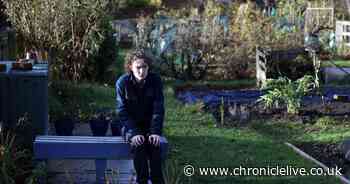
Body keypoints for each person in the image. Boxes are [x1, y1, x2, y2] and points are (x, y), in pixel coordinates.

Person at [116, 49, 165, 184]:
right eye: (138, 67)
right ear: (131, 67)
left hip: (149, 126)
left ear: (148, 67)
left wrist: (155, 132)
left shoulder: (155, 81)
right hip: (130, 126)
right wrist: (134, 133)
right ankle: (141, 181)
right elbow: (122, 111)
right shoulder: (122, 83)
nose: (141, 71)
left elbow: (158, 108)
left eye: (144, 67)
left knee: (155, 146)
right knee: (139, 145)